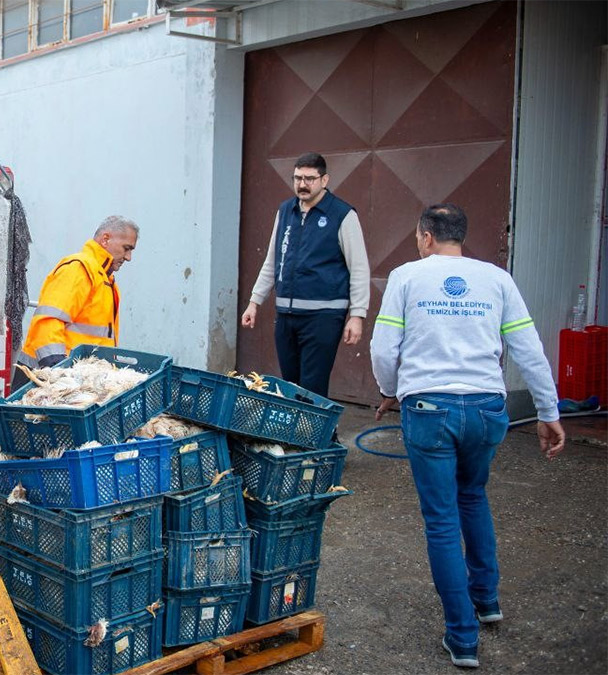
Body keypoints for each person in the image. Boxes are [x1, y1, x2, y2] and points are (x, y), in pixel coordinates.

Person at [370, 203, 565, 669]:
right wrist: (548, 410)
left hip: (429, 409)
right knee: (473, 496)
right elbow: (528, 347)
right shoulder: (495, 278)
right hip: (486, 409)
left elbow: (383, 348)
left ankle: (462, 637)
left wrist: (390, 390)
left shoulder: (406, 277)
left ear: (426, 236)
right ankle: (487, 599)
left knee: (440, 520)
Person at [240, 152, 370, 398]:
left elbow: (359, 268)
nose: (302, 184)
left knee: (312, 386)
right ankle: (294, 436)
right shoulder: (285, 211)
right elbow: (272, 260)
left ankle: (320, 435)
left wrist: (357, 314)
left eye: (310, 178)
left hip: (323, 316)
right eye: (298, 178)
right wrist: (254, 302)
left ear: (325, 180)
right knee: (290, 384)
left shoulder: (342, 215)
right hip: (287, 315)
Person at [13, 216, 139, 388]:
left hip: (75, 381)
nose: (129, 257)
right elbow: (48, 322)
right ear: (105, 239)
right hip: (44, 381)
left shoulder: (106, 281)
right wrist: (59, 371)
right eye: (126, 248)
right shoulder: (79, 268)